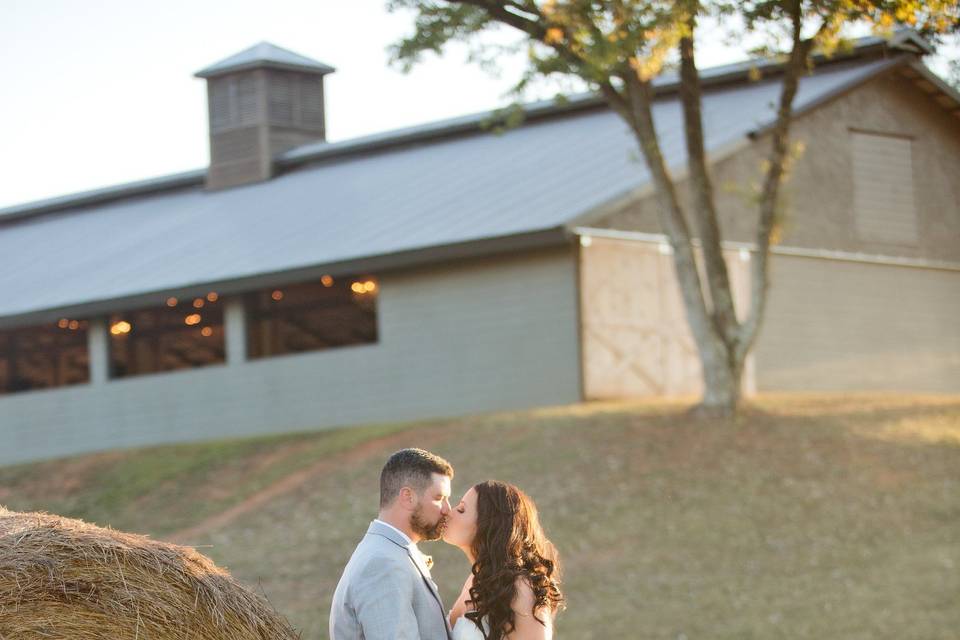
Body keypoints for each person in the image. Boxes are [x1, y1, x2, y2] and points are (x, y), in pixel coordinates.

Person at [330, 448, 454, 640]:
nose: (448, 509)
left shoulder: (391, 552)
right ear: (407, 497)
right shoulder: (382, 563)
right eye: (439, 498)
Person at [442, 481, 564, 640]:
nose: (449, 513)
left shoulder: (520, 587)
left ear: (490, 523)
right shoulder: (475, 580)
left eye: (462, 509)